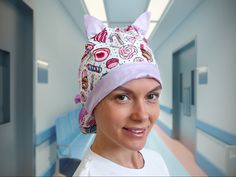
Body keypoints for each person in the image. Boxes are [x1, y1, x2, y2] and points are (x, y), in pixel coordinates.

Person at [73, 11, 169, 176]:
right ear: (92, 104)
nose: (142, 115)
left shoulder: (157, 161)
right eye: (122, 97)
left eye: (151, 96)